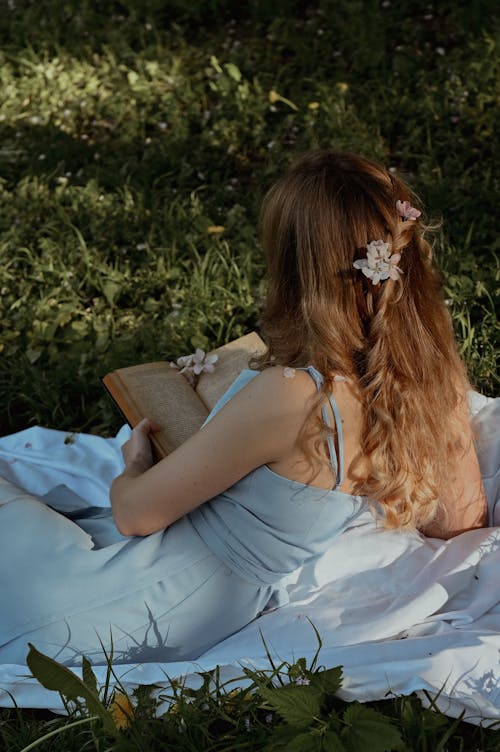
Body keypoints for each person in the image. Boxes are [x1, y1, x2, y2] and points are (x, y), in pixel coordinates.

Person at [0, 150, 487, 667]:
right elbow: (461, 520)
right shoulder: (433, 378)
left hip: (137, 602)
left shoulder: (295, 395)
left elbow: (133, 514)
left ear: (298, 268)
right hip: (213, 607)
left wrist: (135, 462)